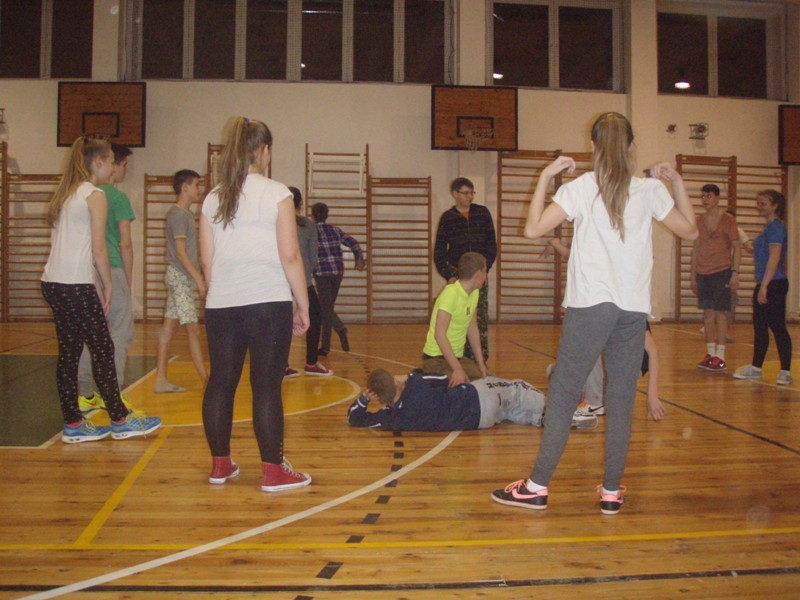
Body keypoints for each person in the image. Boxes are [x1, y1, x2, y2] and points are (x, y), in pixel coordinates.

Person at [491, 112, 697, 515]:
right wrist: (676, 180)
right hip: (631, 311)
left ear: (594, 146)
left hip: (590, 307)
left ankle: (537, 486)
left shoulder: (583, 187)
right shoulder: (650, 190)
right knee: (620, 400)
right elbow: (690, 229)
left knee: (565, 393)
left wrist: (546, 175)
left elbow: (533, 229)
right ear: (631, 146)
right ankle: (611, 492)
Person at [200, 117, 311, 492]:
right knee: (266, 386)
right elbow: (290, 256)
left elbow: (207, 262)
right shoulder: (277, 193)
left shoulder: (213, 197)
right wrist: (303, 305)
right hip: (267, 303)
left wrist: (222, 295)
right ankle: (273, 471)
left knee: (220, 382)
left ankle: (220, 465)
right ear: (264, 151)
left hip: (221, 305)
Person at [41, 136, 162, 443]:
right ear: (97, 162)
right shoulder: (94, 195)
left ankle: (73, 424)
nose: (112, 166)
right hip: (75, 284)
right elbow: (99, 249)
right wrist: (108, 284)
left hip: (53, 283)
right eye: (109, 160)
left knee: (69, 353)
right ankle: (120, 420)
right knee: (103, 349)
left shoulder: (65, 193)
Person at [543, 238, 665, 421]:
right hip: (612, 359)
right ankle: (571, 379)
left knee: (590, 352)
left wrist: (652, 396)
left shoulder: (626, 305)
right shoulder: (599, 300)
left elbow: (652, 352)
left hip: (630, 364)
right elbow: (580, 252)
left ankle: (595, 401)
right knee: (573, 360)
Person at [75, 143, 138, 415]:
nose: (123, 170)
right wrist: (128, 279)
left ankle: (85, 393)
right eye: (123, 165)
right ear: (113, 166)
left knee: (91, 332)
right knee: (121, 331)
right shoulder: (117, 197)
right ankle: (114, 393)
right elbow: (125, 243)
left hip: (87, 270)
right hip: (111, 267)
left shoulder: (83, 193)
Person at [347, 369, 597, 431]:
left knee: (510, 412)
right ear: (395, 381)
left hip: (479, 422)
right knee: (516, 390)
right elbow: (446, 379)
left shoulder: (393, 418)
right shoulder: (417, 384)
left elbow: (355, 419)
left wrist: (363, 400)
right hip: (477, 397)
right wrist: (407, 378)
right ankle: (564, 410)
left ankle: (547, 419)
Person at [154, 169, 208, 393]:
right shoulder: (178, 215)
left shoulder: (185, 214)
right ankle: (207, 381)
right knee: (193, 330)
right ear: (185, 188)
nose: (199, 190)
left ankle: (160, 380)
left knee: (168, 330)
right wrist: (198, 279)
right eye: (196, 185)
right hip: (180, 278)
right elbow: (180, 252)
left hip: (180, 278)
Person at [434, 177, 497, 362]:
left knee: (479, 320)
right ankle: (457, 359)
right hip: (458, 278)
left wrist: (484, 271)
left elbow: (492, 246)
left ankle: (481, 361)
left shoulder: (482, 213)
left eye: (472, 193)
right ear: (455, 194)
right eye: (466, 193)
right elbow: (439, 252)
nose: (470, 197)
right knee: (458, 319)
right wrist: (449, 275)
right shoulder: (448, 218)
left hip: (479, 277)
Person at [733, 189, 792, 385]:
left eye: (763, 203)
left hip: (774, 284)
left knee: (777, 326)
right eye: (758, 203)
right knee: (760, 327)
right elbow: (756, 251)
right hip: (766, 283)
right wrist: (742, 237)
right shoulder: (768, 229)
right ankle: (756, 368)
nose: (759, 207)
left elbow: (774, 258)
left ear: (775, 206)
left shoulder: (776, 227)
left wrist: (764, 286)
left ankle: (785, 371)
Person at [690, 184, 740, 372]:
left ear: (717, 198)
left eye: (709, 196)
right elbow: (696, 248)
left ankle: (721, 355)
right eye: (703, 196)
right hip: (703, 272)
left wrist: (735, 272)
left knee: (720, 313)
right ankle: (710, 353)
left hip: (722, 271)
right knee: (708, 314)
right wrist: (693, 275)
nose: (705, 200)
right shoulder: (699, 221)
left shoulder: (728, 220)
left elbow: (737, 247)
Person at [422, 252, 489, 386]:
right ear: (478, 275)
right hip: (436, 359)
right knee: (460, 388)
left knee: (483, 384)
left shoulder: (474, 293)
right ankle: (412, 378)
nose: (486, 275)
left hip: (457, 358)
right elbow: (439, 335)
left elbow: (472, 327)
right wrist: (457, 369)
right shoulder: (450, 294)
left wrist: (481, 365)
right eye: (485, 271)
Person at [285, 186, 331, 378]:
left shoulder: (275, 223)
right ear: (301, 204)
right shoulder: (307, 225)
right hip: (302, 280)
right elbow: (313, 257)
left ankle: (281, 365)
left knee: (281, 321)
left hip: (279, 280)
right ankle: (311, 362)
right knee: (315, 316)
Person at [312, 202, 366, 355]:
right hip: (337, 272)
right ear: (327, 215)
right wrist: (359, 259)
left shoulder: (312, 231)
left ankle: (340, 328)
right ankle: (325, 347)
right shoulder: (335, 230)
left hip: (322, 273)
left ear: (313, 215)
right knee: (328, 308)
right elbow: (354, 243)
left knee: (325, 308)